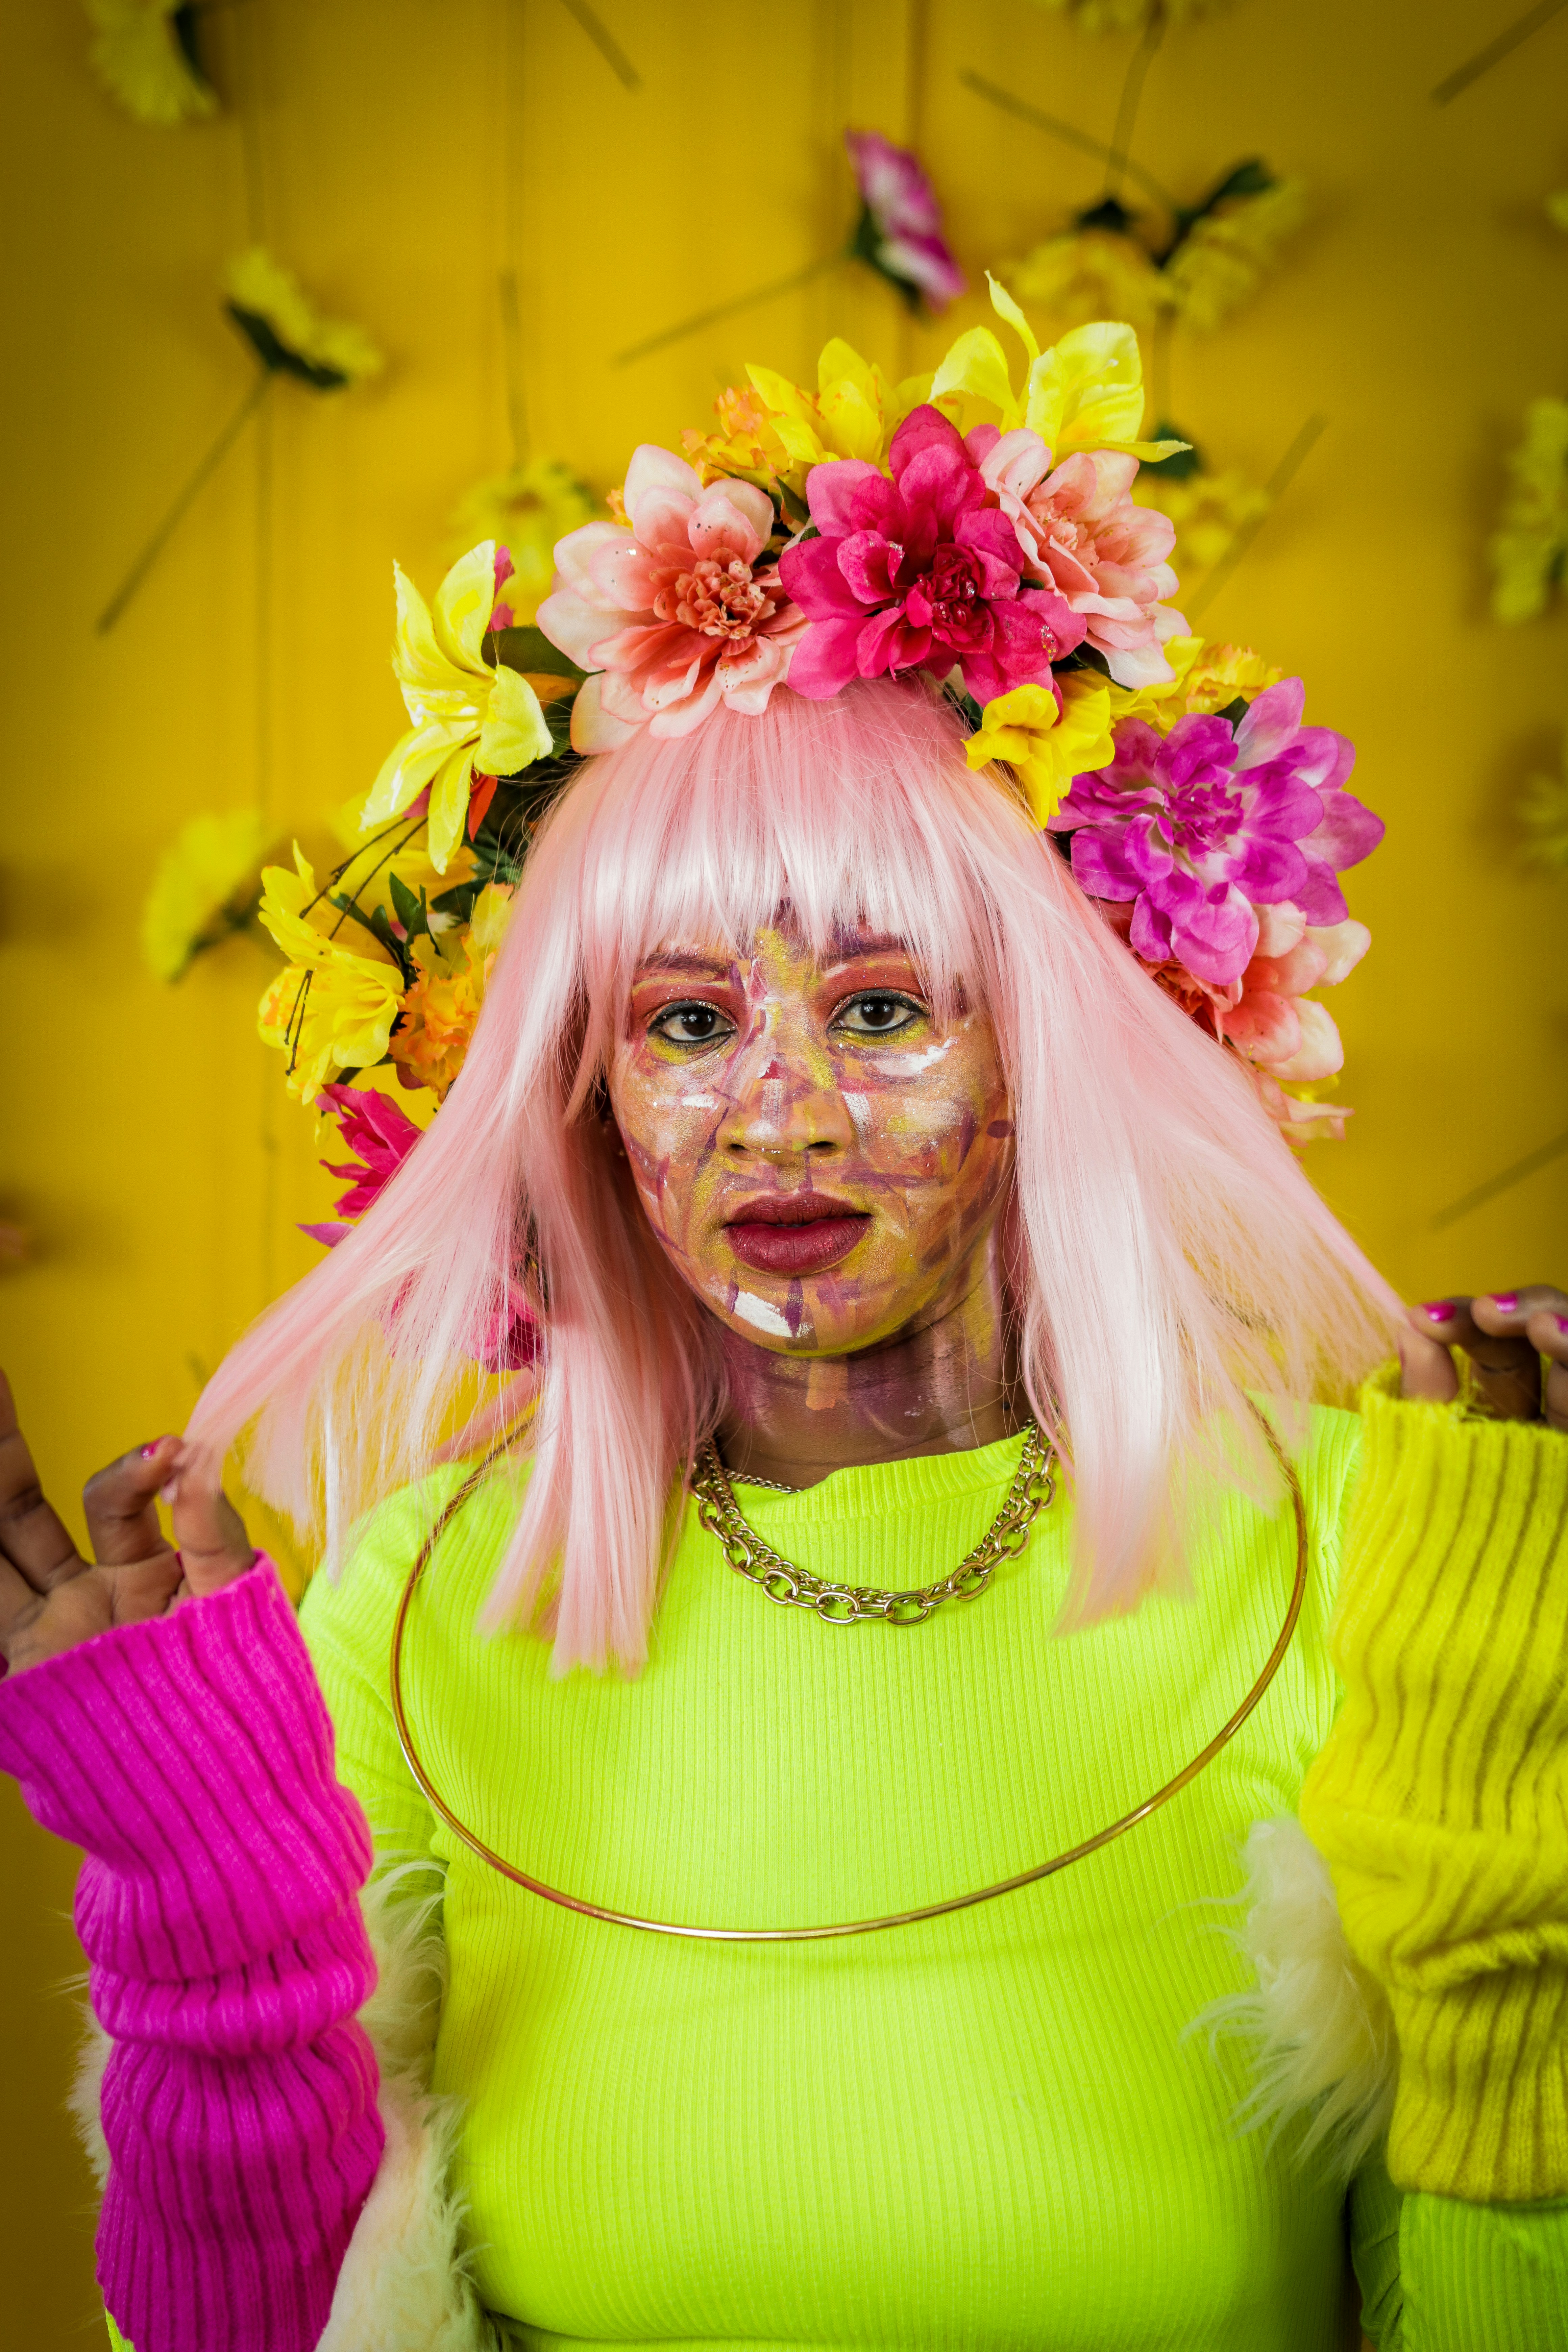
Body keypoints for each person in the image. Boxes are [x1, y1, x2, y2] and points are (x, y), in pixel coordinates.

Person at [2, 350, 1566, 2352]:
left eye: (888, 1009)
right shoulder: (416, 1613)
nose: (785, 1113)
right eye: (682, 1026)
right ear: (585, 1111)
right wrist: (207, 1920)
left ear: (1047, 1050)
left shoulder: (1356, 1546)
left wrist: (1519, 1883)